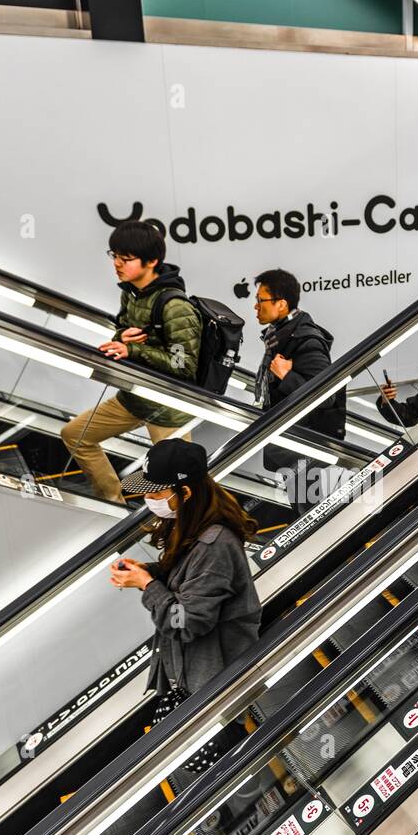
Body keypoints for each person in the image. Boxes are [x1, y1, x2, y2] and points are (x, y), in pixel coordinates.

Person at [111, 439, 261, 768]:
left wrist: (147, 585)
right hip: (195, 669)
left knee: (217, 760)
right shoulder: (193, 524)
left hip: (215, 675)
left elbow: (187, 621)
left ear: (186, 493)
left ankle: (237, 787)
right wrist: (148, 572)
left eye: (155, 494)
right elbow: (185, 576)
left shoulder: (214, 545)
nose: (148, 500)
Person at [62, 223, 202, 504]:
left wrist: (133, 350)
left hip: (167, 409)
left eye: (125, 259)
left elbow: (183, 365)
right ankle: (114, 505)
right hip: (135, 396)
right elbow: (124, 334)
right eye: (114, 256)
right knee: (75, 434)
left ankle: (192, 532)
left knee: (181, 485)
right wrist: (121, 338)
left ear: (152, 261)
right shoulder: (131, 292)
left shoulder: (176, 307)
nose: (117, 264)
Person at [253, 268, 345, 517]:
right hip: (293, 435)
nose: (255, 306)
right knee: (301, 501)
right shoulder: (280, 335)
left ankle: (322, 546)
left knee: (308, 508)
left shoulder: (306, 341)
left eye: (261, 300)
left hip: (304, 439)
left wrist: (286, 376)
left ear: (281, 304)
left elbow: (326, 396)